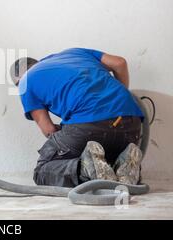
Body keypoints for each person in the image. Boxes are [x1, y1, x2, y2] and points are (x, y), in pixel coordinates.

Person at [10, 48, 144, 187]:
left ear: (19, 81)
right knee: (100, 155)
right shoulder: (74, 53)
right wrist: (115, 106)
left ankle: (85, 169)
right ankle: (126, 166)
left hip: (89, 125)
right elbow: (119, 63)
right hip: (132, 124)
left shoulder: (25, 82)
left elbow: (49, 130)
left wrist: (64, 135)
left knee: (42, 170)